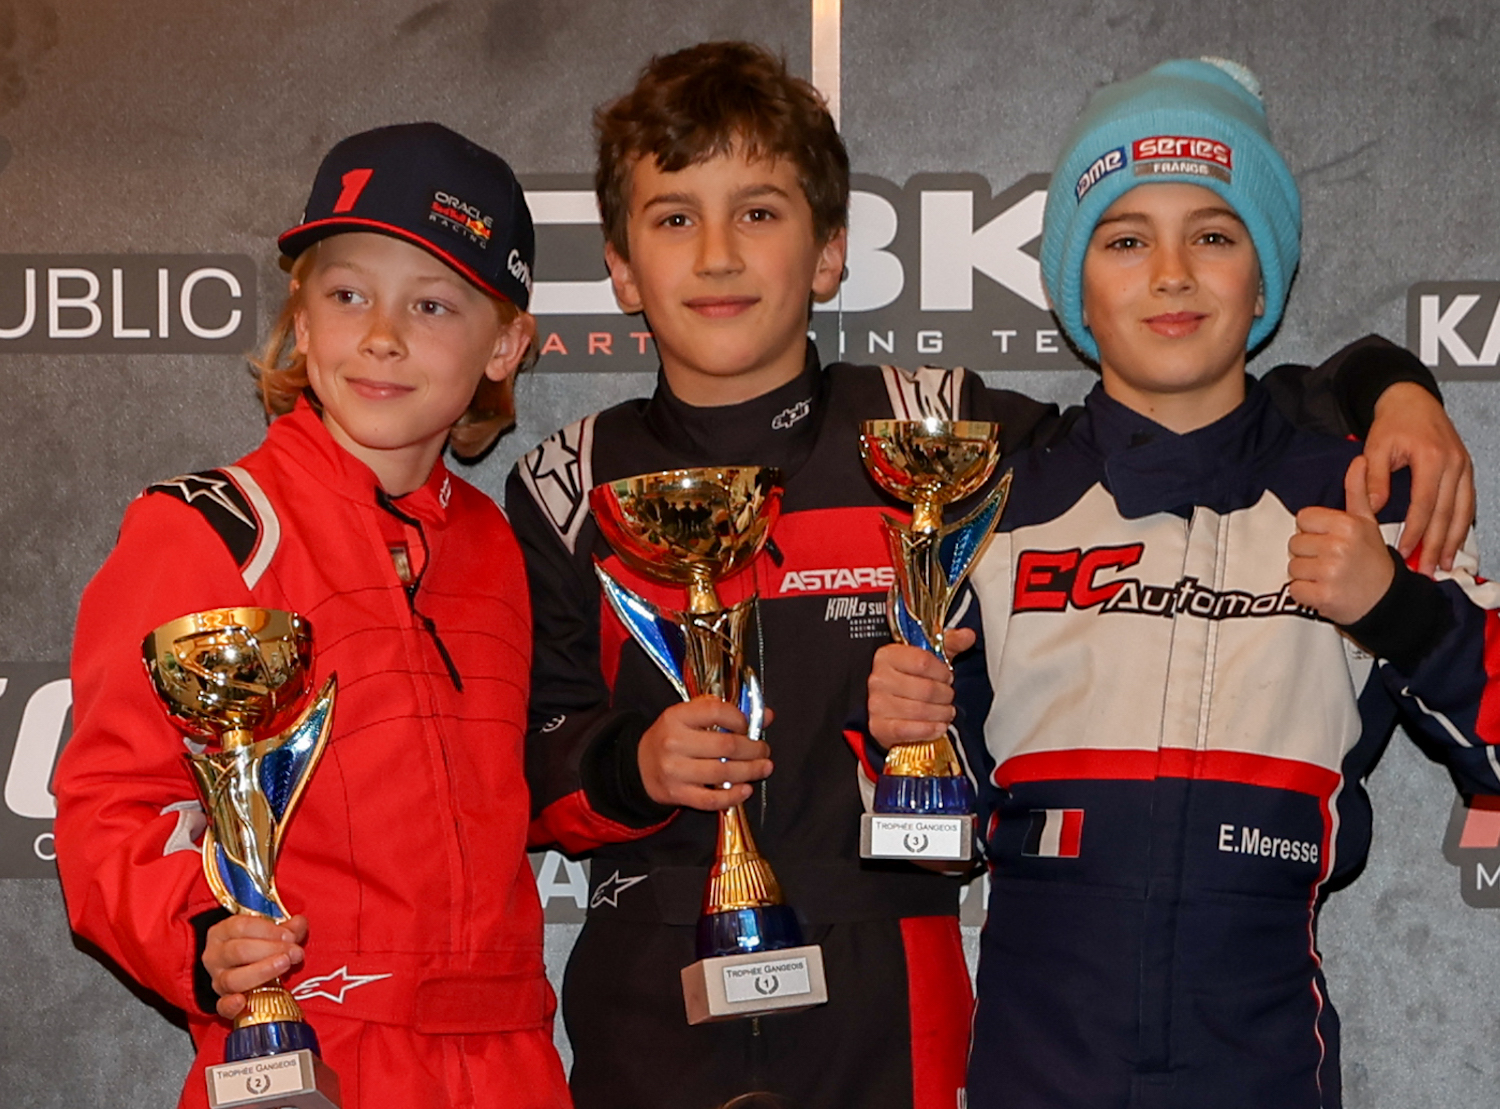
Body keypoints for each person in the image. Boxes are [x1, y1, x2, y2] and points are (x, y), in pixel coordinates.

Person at [509, 43, 1473, 1109]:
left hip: (893, 992)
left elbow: (1186, 416)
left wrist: (1387, 382)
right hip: (655, 987)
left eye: (760, 213)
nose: (719, 254)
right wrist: (632, 764)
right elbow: (523, 765)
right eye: (675, 218)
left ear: (829, 253)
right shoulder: (567, 481)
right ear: (620, 267)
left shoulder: (949, 434)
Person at [866, 58, 1500, 1109]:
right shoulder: (990, 511)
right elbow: (934, 845)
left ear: (1265, 280)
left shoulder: (1362, 494)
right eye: (1125, 239)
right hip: (1035, 1067)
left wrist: (1397, 608)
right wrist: (898, 739)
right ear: (1074, 288)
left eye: (1213, 235)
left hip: (1262, 1070)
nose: (1171, 274)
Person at [54, 123, 571, 1109]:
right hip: (305, 1048)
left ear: (505, 344)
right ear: (300, 315)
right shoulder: (211, 528)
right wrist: (204, 932)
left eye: (431, 303)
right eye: (347, 294)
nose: (382, 335)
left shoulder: (498, 548)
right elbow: (109, 807)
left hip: (512, 1058)